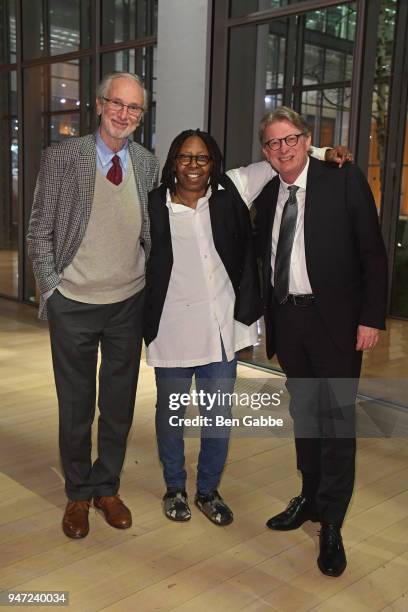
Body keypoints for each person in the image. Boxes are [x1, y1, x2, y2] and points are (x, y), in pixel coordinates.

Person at [144, 128, 351, 527]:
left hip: (221, 330)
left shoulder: (233, 188)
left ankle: (207, 491)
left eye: (201, 158)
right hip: (171, 327)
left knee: (218, 417)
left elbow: (279, 159)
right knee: (170, 415)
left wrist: (326, 151)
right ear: (173, 162)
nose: (193, 166)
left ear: (213, 163)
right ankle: (174, 487)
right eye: (185, 157)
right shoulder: (153, 204)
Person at [254, 107, 388, 576]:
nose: (282, 149)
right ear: (265, 152)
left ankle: (332, 522)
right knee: (306, 416)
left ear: (306, 140)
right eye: (273, 143)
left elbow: (373, 252)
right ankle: (309, 498)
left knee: (336, 424)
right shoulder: (268, 195)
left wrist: (371, 318)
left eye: (290, 139)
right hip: (289, 324)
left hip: (336, 324)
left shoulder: (342, 179)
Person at [27, 72, 159, 539]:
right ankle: (78, 495)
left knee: (119, 404)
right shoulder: (64, 158)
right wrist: (52, 291)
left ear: (141, 116)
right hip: (74, 303)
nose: (125, 115)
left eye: (134, 109)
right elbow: (38, 230)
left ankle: (107, 487)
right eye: (117, 105)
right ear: (100, 105)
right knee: (76, 405)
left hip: (127, 302)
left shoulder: (146, 162)